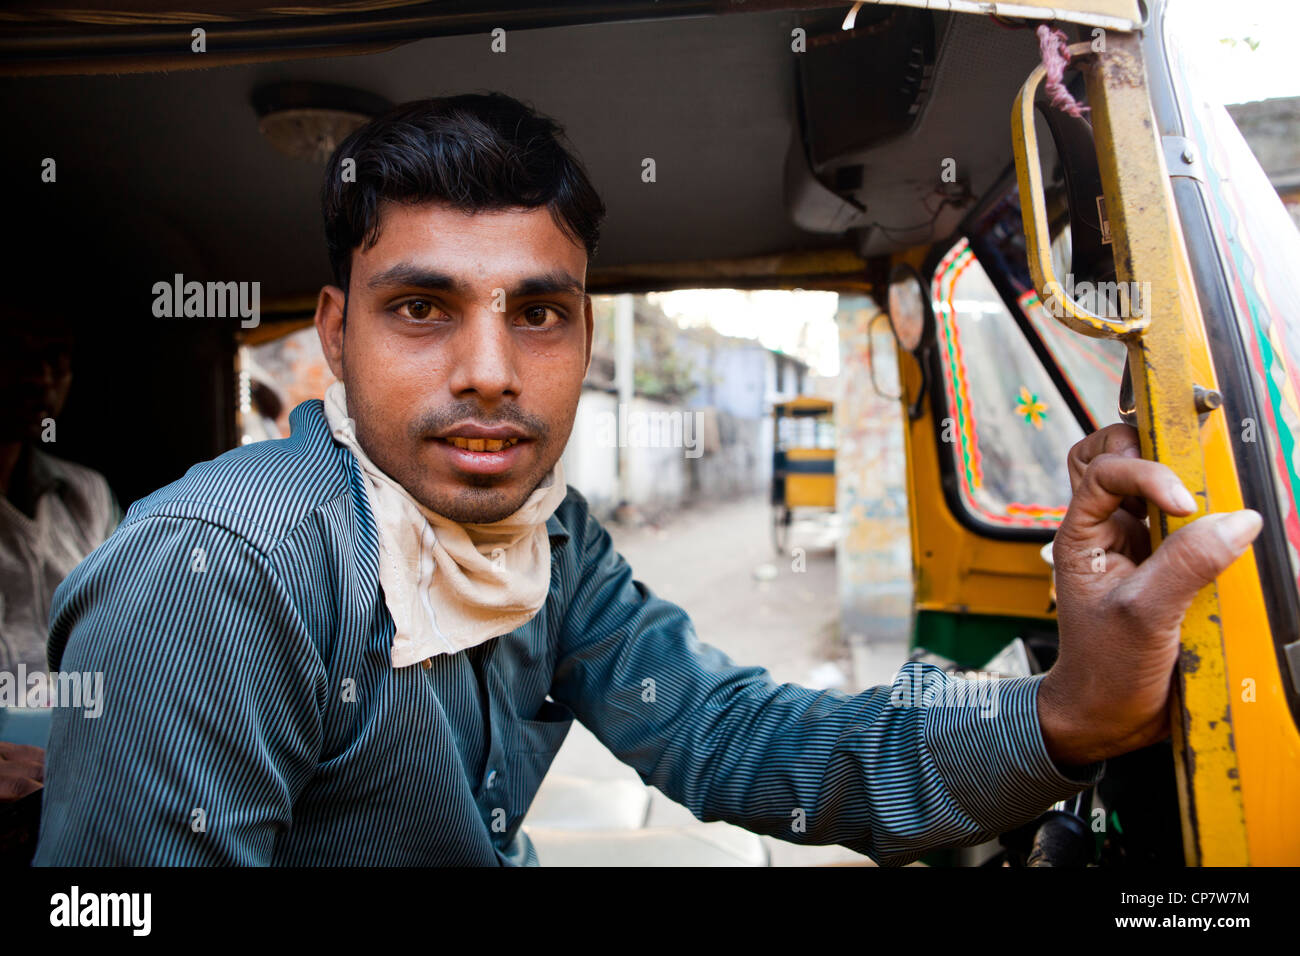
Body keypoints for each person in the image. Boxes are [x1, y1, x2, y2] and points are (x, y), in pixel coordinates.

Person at [33, 93, 1262, 866]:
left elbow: (732, 734)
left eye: (539, 312)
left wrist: (1065, 714)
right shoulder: (222, 569)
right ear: (336, 334)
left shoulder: (548, 541)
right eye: (421, 308)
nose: (489, 371)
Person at [0, 309, 117, 807]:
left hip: (78, 756)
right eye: (13, 355)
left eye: (54, 359)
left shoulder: (83, 493)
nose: (39, 377)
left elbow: (119, 632)